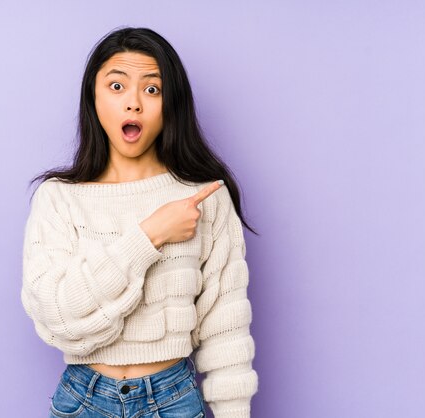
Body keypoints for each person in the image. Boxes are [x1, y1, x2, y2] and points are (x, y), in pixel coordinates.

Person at [21, 26, 258, 418]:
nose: (133, 104)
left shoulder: (203, 198)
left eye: (152, 90)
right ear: (93, 97)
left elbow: (226, 328)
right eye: (117, 87)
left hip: (174, 400)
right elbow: (56, 313)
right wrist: (151, 235)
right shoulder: (59, 197)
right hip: (83, 401)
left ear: (171, 104)